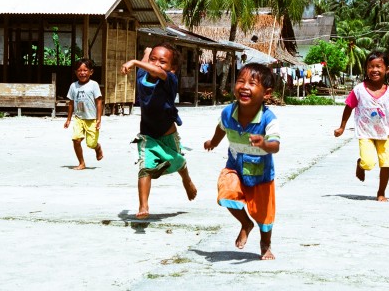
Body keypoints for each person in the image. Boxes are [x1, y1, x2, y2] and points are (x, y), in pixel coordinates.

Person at [204, 63, 280, 260]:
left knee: (264, 215)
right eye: (240, 81)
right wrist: (213, 142)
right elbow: (221, 128)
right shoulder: (228, 112)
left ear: (266, 93)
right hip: (235, 168)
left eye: (252, 83)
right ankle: (246, 223)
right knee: (226, 193)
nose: (244, 87)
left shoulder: (268, 118)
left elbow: (275, 146)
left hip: (261, 174)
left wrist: (264, 144)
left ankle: (265, 245)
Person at [121, 43, 197, 219]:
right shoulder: (142, 75)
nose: (156, 64)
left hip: (168, 134)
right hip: (147, 135)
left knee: (177, 160)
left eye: (162, 62)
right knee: (145, 168)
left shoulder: (170, 79)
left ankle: (186, 179)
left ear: (173, 68)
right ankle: (143, 206)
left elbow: (157, 71)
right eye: (153, 60)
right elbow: (148, 62)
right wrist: (147, 52)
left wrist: (135, 61)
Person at [334, 50, 389, 202]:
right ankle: (360, 164)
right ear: (366, 69)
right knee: (368, 163)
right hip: (365, 132)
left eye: (378, 66)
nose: (374, 70)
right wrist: (342, 127)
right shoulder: (359, 90)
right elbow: (348, 107)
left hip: (384, 133)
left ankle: (381, 192)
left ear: (387, 69)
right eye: (370, 66)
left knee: (386, 163)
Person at [64, 58, 103, 170]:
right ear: (76, 72)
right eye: (79, 70)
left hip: (91, 119)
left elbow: (99, 102)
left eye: (85, 70)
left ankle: (97, 147)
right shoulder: (73, 86)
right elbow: (71, 103)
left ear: (91, 72)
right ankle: (81, 163)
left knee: (91, 143)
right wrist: (68, 119)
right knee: (76, 139)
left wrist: (99, 119)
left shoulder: (94, 85)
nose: (82, 73)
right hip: (79, 117)